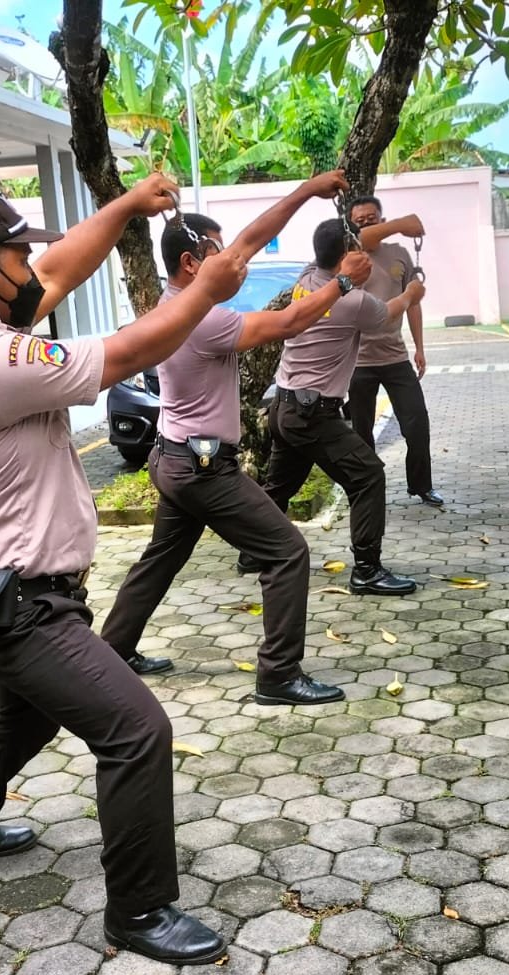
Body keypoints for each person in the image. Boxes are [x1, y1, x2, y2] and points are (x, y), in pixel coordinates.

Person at [0, 179, 248, 966]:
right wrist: (204, 292)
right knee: (135, 729)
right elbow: (130, 351)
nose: (33, 267)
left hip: (11, 598)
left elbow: (58, 270)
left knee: (28, 718)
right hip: (19, 611)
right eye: (17, 254)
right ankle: (139, 910)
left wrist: (127, 207)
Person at [100, 172, 377, 706]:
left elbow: (251, 238)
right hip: (203, 468)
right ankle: (278, 676)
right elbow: (289, 322)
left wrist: (306, 191)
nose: (232, 258)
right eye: (217, 252)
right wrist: (342, 283)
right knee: (287, 553)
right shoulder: (202, 322)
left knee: (161, 558)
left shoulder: (174, 304)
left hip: (174, 458)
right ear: (191, 263)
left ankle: (115, 650)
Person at [256, 219, 425, 597]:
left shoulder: (306, 278)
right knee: (368, 477)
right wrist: (412, 292)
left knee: (280, 486)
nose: (365, 257)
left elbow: (345, 253)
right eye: (357, 252)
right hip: (312, 414)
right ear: (347, 257)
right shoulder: (353, 302)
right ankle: (367, 570)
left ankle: (253, 552)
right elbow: (389, 313)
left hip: (284, 408)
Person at [345, 195, 443, 507]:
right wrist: (401, 224)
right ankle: (364, 490)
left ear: (381, 219)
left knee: (417, 423)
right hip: (358, 361)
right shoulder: (349, 255)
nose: (366, 224)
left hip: (395, 357)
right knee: (361, 432)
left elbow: (413, 302)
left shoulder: (399, 253)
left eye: (371, 218)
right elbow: (365, 237)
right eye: (359, 221)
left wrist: (420, 347)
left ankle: (422, 485)